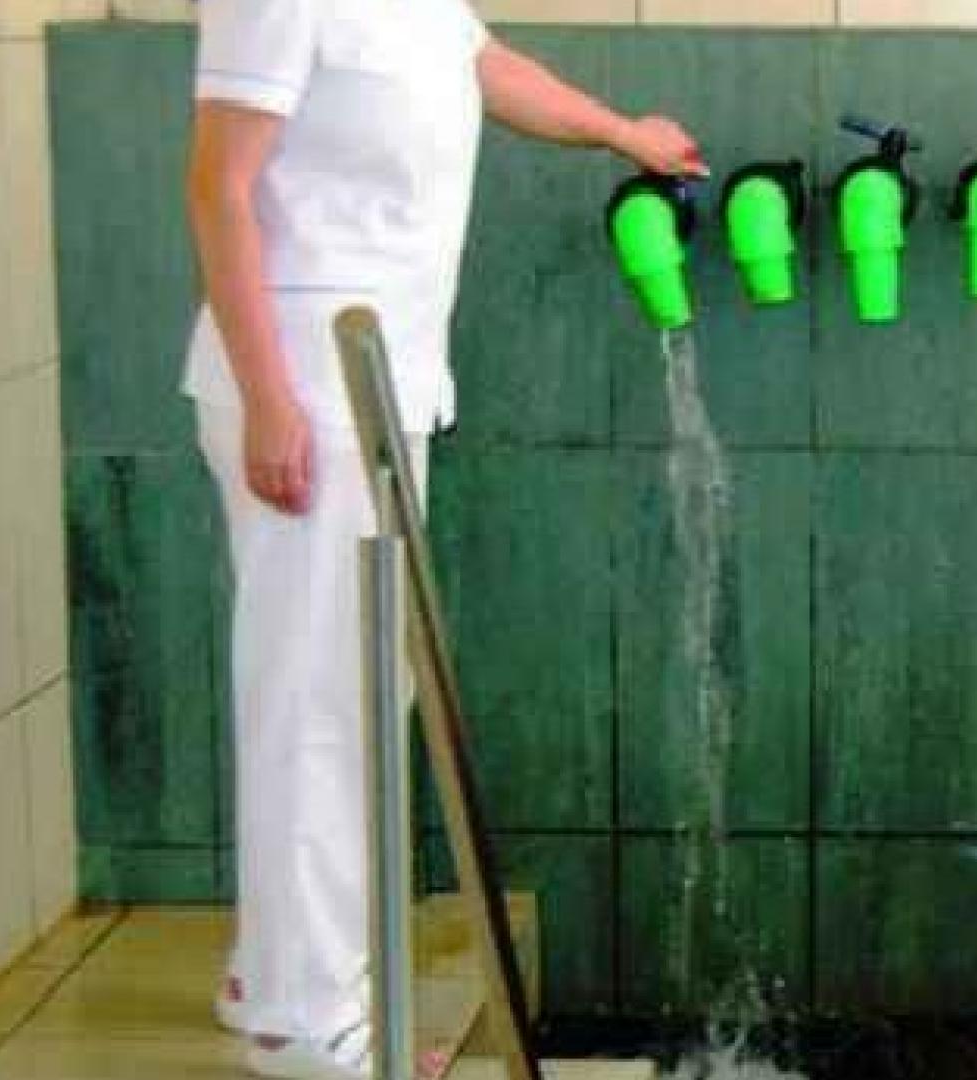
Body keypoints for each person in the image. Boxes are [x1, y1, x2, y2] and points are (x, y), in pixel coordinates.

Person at [183, 1, 703, 1076]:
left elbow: (486, 65)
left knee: (357, 689)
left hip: (382, 378)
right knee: (323, 700)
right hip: (310, 388)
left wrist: (623, 134)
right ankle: (304, 1023)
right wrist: (269, 399)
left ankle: (273, 971)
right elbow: (218, 187)